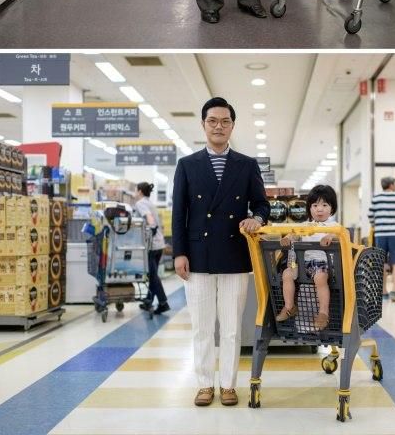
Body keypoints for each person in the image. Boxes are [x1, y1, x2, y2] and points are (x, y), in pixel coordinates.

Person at [172, 96, 270, 407]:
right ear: (203, 124)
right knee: (202, 326)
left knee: (230, 328)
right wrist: (179, 252)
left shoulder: (247, 165)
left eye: (225, 121)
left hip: (234, 254)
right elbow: (179, 212)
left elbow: (262, 204)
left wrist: (256, 218)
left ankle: (228, 385)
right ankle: (204, 384)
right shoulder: (187, 165)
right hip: (197, 255)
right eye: (212, 121)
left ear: (232, 126)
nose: (218, 126)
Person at [276, 183, 337, 330]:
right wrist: (289, 238)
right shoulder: (305, 225)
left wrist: (330, 236)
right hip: (302, 263)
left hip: (322, 264)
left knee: (320, 278)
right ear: (309, 208)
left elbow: (341, 234)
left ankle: (323, 313)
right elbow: (295, 234)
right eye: (315, 205)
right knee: (287, 273)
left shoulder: (333, 225)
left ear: (332, 208)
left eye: (324, 205)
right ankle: (290, 307)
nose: (319, 209)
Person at [368, 176, 395, 302]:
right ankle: (394, 291)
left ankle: (383, 291)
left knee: (381, 261)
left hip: (380, 234)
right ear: (391, 185)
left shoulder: (376, 199)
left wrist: (377, 224)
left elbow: (370, 216)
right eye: (394, 183)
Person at [133, 182, 170, 314]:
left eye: (135, 190)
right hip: (159, 243)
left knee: (153, 275)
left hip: (151, 245)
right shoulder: (150, 202)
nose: (135, 193)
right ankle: (148, 300)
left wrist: (152, 227)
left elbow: (149, 217)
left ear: (140, 191)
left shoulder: (141, 203)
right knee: (152, 273)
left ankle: (163, 302)